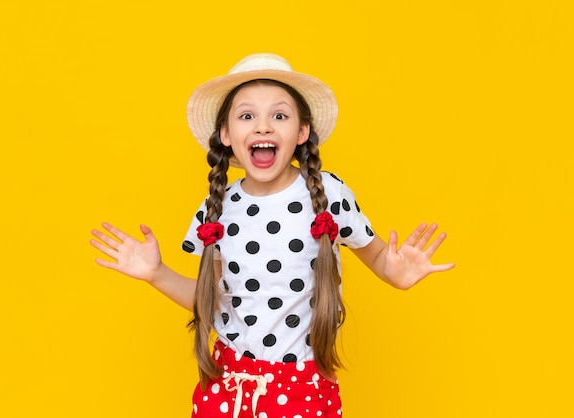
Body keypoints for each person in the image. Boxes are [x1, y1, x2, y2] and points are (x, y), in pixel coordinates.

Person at [90, 53, 455, 418]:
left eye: (279, 116)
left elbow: (375, 254)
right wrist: (157, 273)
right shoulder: (218, 207)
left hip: (305, 391)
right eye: (247, 116)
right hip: (226, 389)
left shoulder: (328, 195)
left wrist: (395, 272)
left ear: (301, 132)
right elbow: (212, 302)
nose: (263, 127)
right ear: (226, 135)